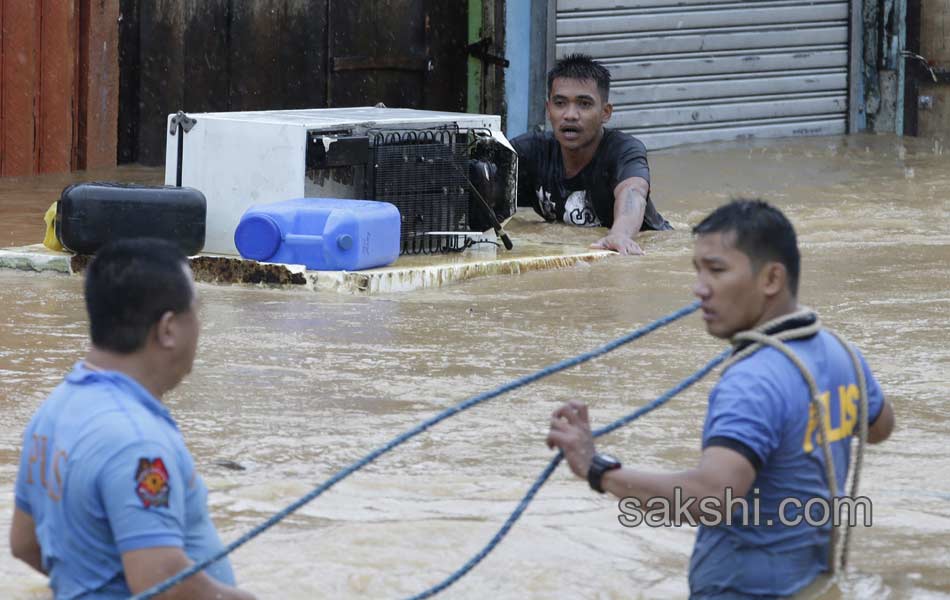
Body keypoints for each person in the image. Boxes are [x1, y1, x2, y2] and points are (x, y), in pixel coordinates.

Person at [546, 199, 895, 598]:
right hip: (811, 585)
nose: (699, 288)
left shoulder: (751, 380)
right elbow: (880, 428)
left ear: (771, 279)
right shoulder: (841, 353)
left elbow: (711, 496)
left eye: (717, 270)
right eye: (698, 271)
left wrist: (596, 469)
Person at [9, 238, 255, 600]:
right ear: (168, 328)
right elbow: (161, 583)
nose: (200, 327)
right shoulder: (139, 442)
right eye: (196, 313)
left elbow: (25, 542)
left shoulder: (55, 409)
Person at [512, 53, 672, 256]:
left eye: (584, 104)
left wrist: (620, 235)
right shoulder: (530, 151)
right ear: (548, 109)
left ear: (605, 112)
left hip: (637, 251)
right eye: (560, 103)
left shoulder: (623, 149)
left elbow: (633, 192)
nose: (570, 115)